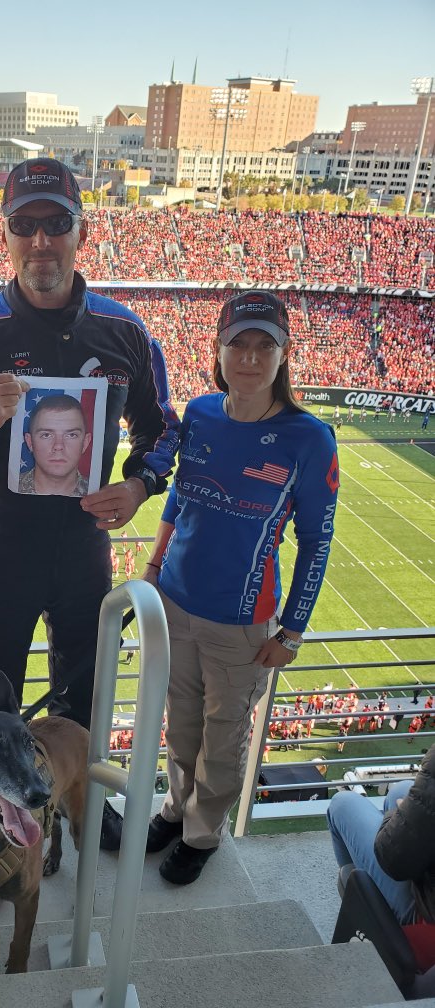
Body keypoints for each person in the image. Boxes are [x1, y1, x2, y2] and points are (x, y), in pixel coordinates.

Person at [0, 158, 178, 850]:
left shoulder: (126, 331)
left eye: (56, 223)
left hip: (85, 548)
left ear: (82, 231)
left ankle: (79, 809)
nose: (40, 241)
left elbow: (164, 430)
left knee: (83, 695)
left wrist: (139, 484)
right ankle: (1, 822)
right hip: (2, 546)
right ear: (2, 234)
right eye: (23, 224)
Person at [141, 290, 339, 884]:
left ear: (284, 355)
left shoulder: (310, 438)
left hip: (242, 622)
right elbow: (179, 495)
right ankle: (176, 810)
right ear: (219, 351)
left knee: (223, 740)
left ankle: (201, 834)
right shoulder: (200, 412)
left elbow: (317, 541)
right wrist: (153, 564)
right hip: (174, 603)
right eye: (238, 344)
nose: (250, 358)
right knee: (181, 726)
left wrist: (293, 631)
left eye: (263, 346)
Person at [327, 743, 435, 927]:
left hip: (427, 916)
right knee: (401, 789)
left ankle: (363, 918)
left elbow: (393, 859)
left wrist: (396, 816)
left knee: (342, 803)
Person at [18, 394, 91, 496]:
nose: (58, 446)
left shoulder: (99, 495)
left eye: (71, 435)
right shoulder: (5, 489)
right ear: (30, 442)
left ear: (85, 443)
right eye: (46, 435)